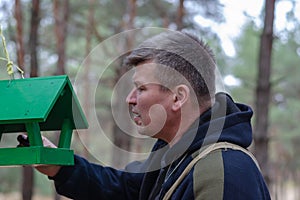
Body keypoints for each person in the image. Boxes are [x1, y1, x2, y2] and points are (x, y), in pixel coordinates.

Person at [18, 30, 271, 200]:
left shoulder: (225, 171)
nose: (130, 99)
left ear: (178, 97)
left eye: (140, 88)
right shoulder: (174, 154)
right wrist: (61, 168)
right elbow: (126, 189)